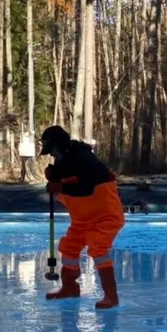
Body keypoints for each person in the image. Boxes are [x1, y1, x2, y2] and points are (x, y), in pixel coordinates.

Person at [41, 125, 126, 309]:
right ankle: (70, 288)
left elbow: (86, 187)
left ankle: (111, 297)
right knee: (69, 248)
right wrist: (54, 179)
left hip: (106, 216)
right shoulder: (63, 162)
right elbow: (66, 183)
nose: (52, 156)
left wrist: (61, 186)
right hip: (82, 219)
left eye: (52, 151)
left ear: (60, 145)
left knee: (98, 249)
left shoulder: (84, 158)